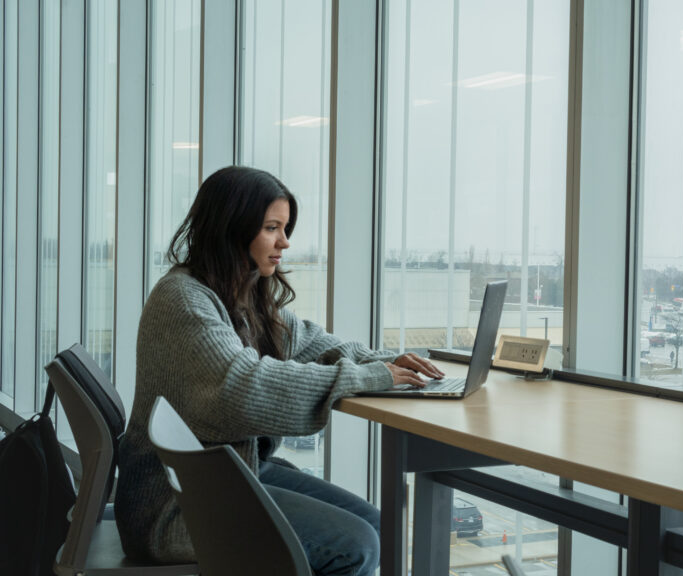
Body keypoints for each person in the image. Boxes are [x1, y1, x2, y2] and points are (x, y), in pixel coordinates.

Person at [115, 166, 442, 575]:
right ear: (232, 227)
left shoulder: (235, 294)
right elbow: (245, 389)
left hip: (223, 478)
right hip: (173, 508)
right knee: (355, 547)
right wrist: (373, 378)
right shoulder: (183, 300)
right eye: (272, 228)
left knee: (380, 525)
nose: (285, 243)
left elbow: (311, 342)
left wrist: (386, 362)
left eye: (284, 228)